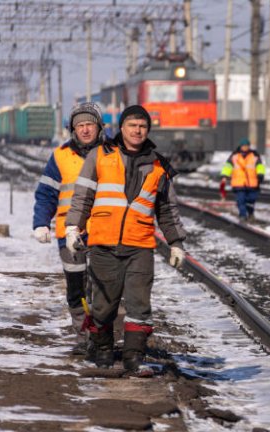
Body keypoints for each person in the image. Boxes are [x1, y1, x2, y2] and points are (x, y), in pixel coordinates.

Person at [64, 105, 187, 375]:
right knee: (103, 306)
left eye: (143, 126)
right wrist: (73, 228)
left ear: (148, 130)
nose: (137, 130)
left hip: (140, 246)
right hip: (103, 244)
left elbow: (166, 209)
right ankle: (104, 352)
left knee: (139, 305)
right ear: (122, 128)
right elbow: (82, 197)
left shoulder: (158, 166)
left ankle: (134, 359)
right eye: (132, 125)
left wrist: (176, 242)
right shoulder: (99, 156)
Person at [32, 102, 105, 354]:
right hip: (69, 235)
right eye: (80, 125)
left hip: (105, 233)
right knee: (77, 289)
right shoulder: (61, 156)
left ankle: (101, 340)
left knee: (103, 290)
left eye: (90, 125)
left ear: (99, 127)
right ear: (72, 129)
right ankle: (84, 337)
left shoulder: (112, 153)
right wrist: (41, 222)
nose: (85, 130)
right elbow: (46, 193)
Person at [220, 138, 265, 221]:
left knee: (251, 200)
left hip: (252, 183)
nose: (245, 147)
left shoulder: (254, 156)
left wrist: (260, 174)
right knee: (240, 200)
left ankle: (250, 213)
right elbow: (228, 166)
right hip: (238, 183)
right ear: (240, 146)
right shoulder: (234, 156)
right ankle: (242, 215)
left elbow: (259, 166)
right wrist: (224, 176)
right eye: (243, 146)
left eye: (247, 146)